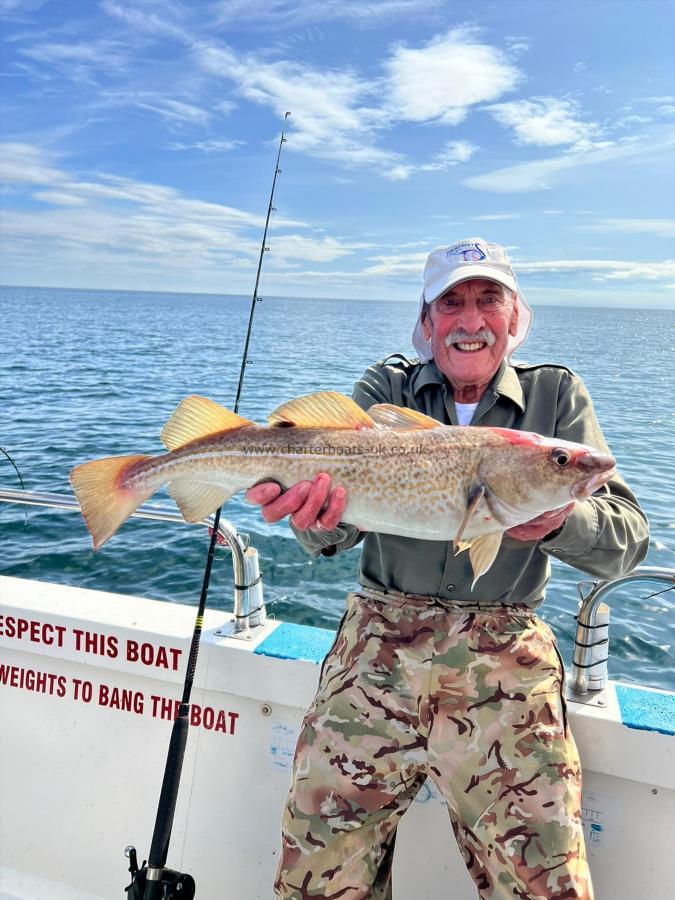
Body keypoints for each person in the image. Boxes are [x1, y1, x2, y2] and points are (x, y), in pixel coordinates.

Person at [248, 238, 649, 900]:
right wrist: (311, 519)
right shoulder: (384, 391)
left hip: (506, 648)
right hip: (376, 640)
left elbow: (627, 540)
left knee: (545, 882)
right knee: (317, 874)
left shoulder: (555, 397)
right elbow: (332, 536)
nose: (469, 321)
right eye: (450, 303)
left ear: (513, 316)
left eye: (487, 299)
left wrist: (558, 521)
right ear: (426, 319)